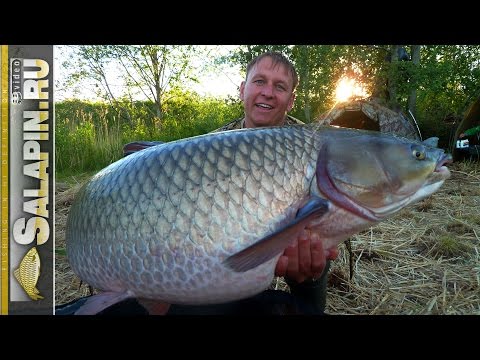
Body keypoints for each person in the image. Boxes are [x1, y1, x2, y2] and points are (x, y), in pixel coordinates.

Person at [56, 52, 338, 315]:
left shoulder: (315, 153)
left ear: (291, 100)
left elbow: (317, 294)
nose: (267, 92)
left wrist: (312, 276)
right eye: (260, 81)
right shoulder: (210, 149)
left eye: (280, 86)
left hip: (260, 278)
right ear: (243, 90)